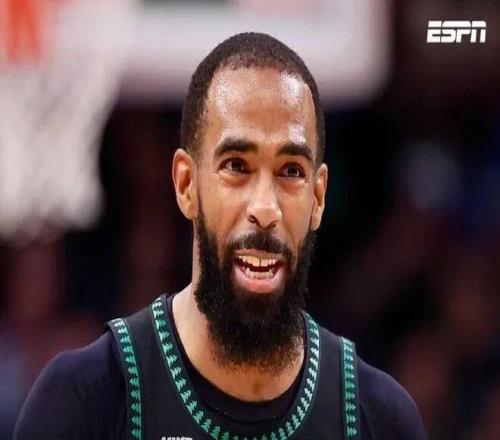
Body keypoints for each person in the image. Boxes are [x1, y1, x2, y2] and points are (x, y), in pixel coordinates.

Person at [14, 32, 427, 440]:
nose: (264, 207)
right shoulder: (84, 401)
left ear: (318, 197)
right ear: (186, 184)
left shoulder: (381, 418)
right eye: (236, 166)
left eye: (290, 171)